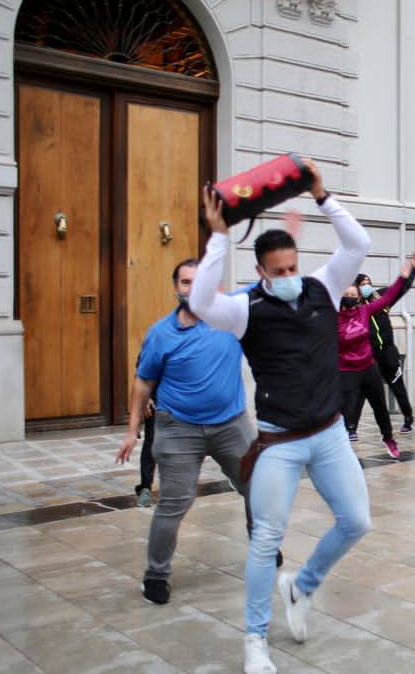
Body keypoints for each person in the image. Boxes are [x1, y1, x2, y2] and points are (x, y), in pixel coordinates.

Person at [191, 159, 372, 674]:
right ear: (261, 273)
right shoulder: (245, 309)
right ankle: (254, 640)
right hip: (278, 443)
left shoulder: (323, 288)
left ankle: (304, 585)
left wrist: (322, 195)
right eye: (280, 272)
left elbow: (356, 245)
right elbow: (202, 300)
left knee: (357, 521)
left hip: (330, 433)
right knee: (266, 540)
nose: (290, 277)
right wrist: (219, 236)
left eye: (294, 267)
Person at [116, 258, 259, 606]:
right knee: (173, 503)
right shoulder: (162, 333)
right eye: (185, 282)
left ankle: (265, 546)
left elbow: (269, 287)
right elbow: (143, 381)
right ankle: (156, 575)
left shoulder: (232, 316)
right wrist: (133, 430)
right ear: (176, 288)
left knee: (258, 488)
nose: (192, 288)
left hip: (231, 425)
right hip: (179, 428)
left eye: (200, 281)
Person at [338, 259, 415, 458]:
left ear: (358, 298)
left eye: (353, 295)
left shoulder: (365, 311)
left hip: (369, 366)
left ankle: (389, 438)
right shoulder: (333, 317)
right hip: (347, 371)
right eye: (346, 294)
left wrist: (405, 275)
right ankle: (342, 439)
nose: (350, 297)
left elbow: (391, 294)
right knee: (346, 409)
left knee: (380, 405)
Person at [351, 272, 415, 436]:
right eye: (363, 283)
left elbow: (399, 289)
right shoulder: (356, 306)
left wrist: (409, 274)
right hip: (370, 356)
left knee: (397, 386)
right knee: (363, 390)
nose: (367, 286)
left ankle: (408, 419)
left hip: (388, 352)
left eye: (368, 282)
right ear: (357, 287)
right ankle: (352, 428)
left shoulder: (380, 298)